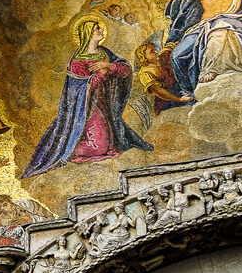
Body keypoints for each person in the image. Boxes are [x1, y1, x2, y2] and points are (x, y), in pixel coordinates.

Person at [23, 18, 153, 177]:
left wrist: (109, 65)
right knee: (100, 147)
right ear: (88, 34)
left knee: (112, 143)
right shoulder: (77, 61)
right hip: (86, 109)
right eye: (97, 29)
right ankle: (66, 148)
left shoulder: (104, 54)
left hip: (105, 105)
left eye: (100, 28)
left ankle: (71, 144)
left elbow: (125, 69)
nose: (101, 30)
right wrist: (102, 73)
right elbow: (83, 89)